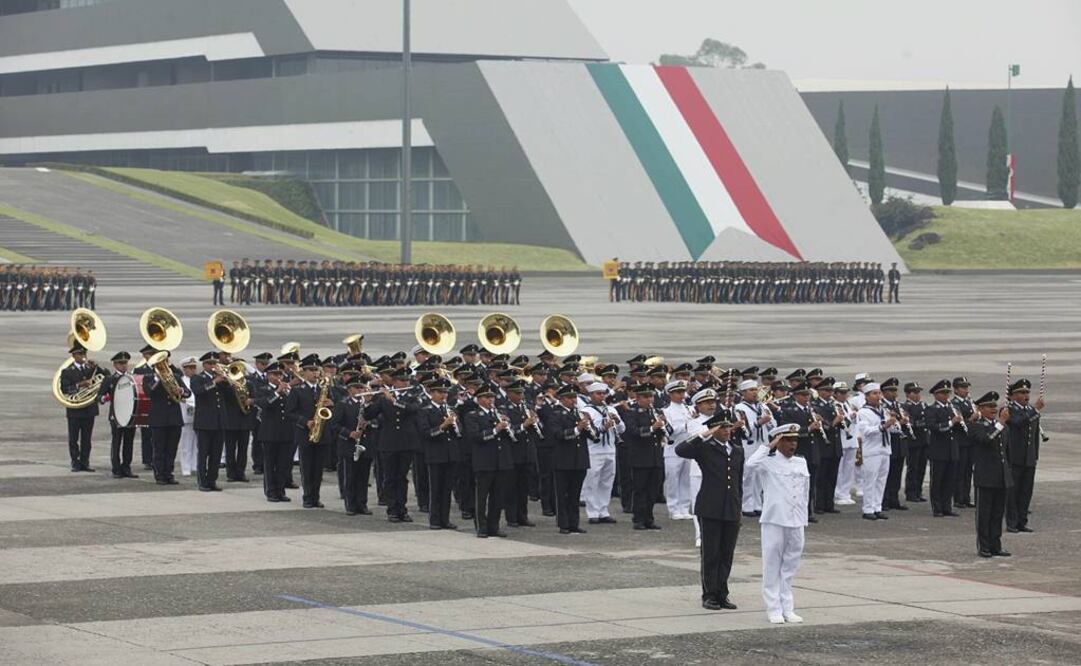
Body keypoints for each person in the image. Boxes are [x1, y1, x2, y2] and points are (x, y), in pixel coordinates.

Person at [676, 413, 743, 611]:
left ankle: (723, 593)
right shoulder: (705, 448)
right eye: (722, 428)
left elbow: (738, 482)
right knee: (711, 553)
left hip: (731, 506)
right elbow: (681, 450)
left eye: (729, 427)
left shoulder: (737, 450)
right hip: (710, 506)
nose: (727, 431)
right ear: (714, 430)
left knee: (726, 554)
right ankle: (709, 594)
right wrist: (705, 434)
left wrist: (739, 507)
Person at [746, 424, 809, 624]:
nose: (793, 444)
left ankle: (787, 607)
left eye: (795, 440)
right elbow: (750, 464)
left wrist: (803, 516)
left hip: (796, 519)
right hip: (775, 519)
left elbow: (804, 493)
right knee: (772, 564)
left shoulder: (801, 463)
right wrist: (769, 445)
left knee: (790, 565)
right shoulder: (768, 462)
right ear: (778, 442)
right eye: (788, 440)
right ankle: (773, 608)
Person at [465, 383, 514, 538]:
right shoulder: (472, 415)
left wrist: (508, 426)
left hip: (501, 460)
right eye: (486, 397)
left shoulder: (499, 413)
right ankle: (481, 526)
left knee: (498, 496)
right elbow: (475, 437)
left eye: (492, 397)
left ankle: (494, 526)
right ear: (479, 399)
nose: (490, 400)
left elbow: (511, 437)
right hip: (484, 461)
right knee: (481, 496)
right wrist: (495, 430)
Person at [543, 384, 593, 534]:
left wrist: (589, 427)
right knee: (562, 494)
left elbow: (593, 437)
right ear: (562, 399)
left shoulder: (578, 413)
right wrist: (578, 428)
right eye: (570, 398)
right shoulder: (555, 414)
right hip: (563, 459)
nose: (573, 401)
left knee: (574, 494)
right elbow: (559, 435)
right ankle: (563, 524)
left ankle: (574, 523)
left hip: (579, 459)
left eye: (574, 397)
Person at [286, 355, 334, 508]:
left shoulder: (324, 389)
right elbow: (290, 413)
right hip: (305, 433)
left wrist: (331, 403)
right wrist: (305, 422)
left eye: (317, 370)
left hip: (322, 433)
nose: (315, 373)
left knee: (318, 468)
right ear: (304, 372)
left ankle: (316, 497)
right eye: (311, 370)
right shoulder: (297, 390)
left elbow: (332, 407)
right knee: (307, 467)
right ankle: (307, 497)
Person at [970, 391, 1012, 557]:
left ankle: (996, 544)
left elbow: (1006, 452)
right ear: (981, 409)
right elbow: (987, 439)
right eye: (989, 406)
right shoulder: (976, 426)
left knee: (997, 513)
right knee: (984, 513)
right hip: (985, 476)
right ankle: (984, 546)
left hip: (1001, 476)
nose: (993, 409)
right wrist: (1001, 422)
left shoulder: (1003, 427)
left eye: (995, 406)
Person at [622, 384, 667, 530]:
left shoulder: (656, 412)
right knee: (640, 489)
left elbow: (664, 433)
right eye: (646, 397)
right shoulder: (632, 413)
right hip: (640, 457)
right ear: (638, 398)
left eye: (651, 396)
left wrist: (663, 426)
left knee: (653, 490)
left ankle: (649, 518)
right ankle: (638, 519)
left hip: (655, 456)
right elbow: (633, 432)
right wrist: (652, 428)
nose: (650, 400)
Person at [330, 375, 376, 516]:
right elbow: (334, 425)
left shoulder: (368, 405)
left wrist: (369, 423)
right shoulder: (343, 404)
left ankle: (362, 504)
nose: (360, 390)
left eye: (362, 387)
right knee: (350, 476)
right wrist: (349, 433)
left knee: (363, 476)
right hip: (349, 445)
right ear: (350, 390)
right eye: (357, 388)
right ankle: (350, 504)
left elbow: (378, 420)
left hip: (365, 443)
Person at [579, 381, 623, 525]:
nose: (602, 396)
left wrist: (617, 421)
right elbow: (589, 431)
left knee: (607, 481)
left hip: (610, 449)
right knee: (592, 482)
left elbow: (623, 429)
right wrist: (604, 427)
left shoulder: (611, 409)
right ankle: (592, 513)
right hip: (594, 450)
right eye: (598, 394)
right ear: (591, 395)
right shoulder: (586, 410)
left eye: (603, 393)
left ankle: (604, 511)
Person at [419, 378, 460, 529]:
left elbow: (459, 433)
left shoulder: (449, 409)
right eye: (440, 392)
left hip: (450, 454)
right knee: (435, 489)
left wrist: (455, 425)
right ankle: (435, 520)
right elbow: (425, 433)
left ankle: (445, 519)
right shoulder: (425, 410)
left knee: (447, 489)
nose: (443, 395)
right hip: (435, 454)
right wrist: (443, 426)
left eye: (445, 392)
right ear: (432, 393)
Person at [1005, 378, 1045, 533]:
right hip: (1015, 457)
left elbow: (1033, 436)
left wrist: (1034, 455)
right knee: (1013, 492)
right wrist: (1035, 410)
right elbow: (1018, 423)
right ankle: (1012, 522)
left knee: (1026, 491)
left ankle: (1022, 521)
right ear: (1014, 395)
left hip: (1029, 458)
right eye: (1022, 392)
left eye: (1027, 392)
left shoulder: (1030, 411)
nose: (1026, 395)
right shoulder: (1008, 410)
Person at [143, 352, 189, 485]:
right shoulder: (150, 378)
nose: (163, 365)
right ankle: (160, 475)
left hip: (174, 418)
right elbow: (149, 392)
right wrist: (158, 380)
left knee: (171, 449)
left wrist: (180, 391)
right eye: (160, 363)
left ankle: (169, 473)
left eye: (164, 362)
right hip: (159, 419)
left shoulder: (175, 376)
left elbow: (187, 392)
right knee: (159, 449)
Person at [733, 379, 776, 517]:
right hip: (748, 444)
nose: (755, 393)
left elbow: (773, 424)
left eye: (755, 390)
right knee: (748, 475)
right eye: (751, 390)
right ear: (743, 393)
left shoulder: (763, 406)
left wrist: (769, 422)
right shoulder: (739, 408)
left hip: (762, 443)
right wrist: (758, 422)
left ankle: (758, 504)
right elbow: (744, 428)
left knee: (759, 475)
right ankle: (747, 505)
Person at [61, 344, 105, 472]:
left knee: (87, 439)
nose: (83, 357)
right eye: (79, 354)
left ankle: (85, 462)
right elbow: (65, 389)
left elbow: (105, 377)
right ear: (74, 356)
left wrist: (97, 367)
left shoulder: (91, 369)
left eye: (84, 354)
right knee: (73, 438)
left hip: (89, 409)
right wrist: (80, 385)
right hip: (74, 410)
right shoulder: (67, 371)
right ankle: (75, 462)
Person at [855, 382, 895, 520]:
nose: (878, 396)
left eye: (879, 393)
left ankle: (877, 506)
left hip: (885, 449)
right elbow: (866, 432)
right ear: (866, 396)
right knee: (870, 480)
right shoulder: (863, 412)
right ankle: (868, 509)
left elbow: (890, 429)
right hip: (871, 450)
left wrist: (896, 424)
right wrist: (883, 426)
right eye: (874, 393)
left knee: (881, 480)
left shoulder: (884, 410)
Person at [190, 352, 228, 492]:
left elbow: (230, 395)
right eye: (210, 364)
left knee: (216, 454)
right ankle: (202, 482)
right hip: (204, 422)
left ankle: (212, 480)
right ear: (204, 365)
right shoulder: (197, 378)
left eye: (215, 364)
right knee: (203, 453)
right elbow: (198, 391)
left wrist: (227, 381)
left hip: (219, 422)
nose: (213, 366)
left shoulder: (220, 379)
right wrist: (214, 382)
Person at [254, 363, 293, 502]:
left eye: (280, 375)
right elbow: (264, 404)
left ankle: (280, 490)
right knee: (270, 464)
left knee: (283, 464)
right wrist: (277, 392)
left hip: (285, 432)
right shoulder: (263, 389)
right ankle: (270, 491)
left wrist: (287, 392)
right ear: (268, 375)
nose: (278, 377)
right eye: (275, 374)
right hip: (269, 432)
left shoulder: (288, 390)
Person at [925, 379, 962, 517]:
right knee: (938, 480)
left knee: (950, 480)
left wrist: (961, 422)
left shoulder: (952, 408)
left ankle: (947, 506)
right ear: (936, 395)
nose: (946, 396)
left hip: (952, 450)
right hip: (939, 450)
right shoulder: (931, 409)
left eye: (947, 393)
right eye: (943, 393)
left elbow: (958, 430)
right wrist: (951, 422)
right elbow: (934, 427)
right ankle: (937, 507)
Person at [99, 351, 138, 479]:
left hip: (130, 414)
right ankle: (116, 468)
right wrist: (104, 398)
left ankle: (126, 467)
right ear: (115, 365)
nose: (123, 366)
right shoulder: (110, 379)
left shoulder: (132, 378)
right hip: (116, 415)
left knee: (129, 443)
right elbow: (98, 396)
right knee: (116, 442)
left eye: (125, 363)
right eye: (121, 363)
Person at [662, 381, 695, 520]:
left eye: (683, 392)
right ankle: (673, 508)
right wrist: (688, 425)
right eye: (678, 393)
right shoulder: (665, 411)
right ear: (670, 394)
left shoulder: (690, 409)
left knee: (686, 479)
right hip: (673, 449)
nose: (682, 395)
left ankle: (684, 507)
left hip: (688, 447)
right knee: (673, 480)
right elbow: (670, 431)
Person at [177, 357, 198, 476]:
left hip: (199, 414)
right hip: (186, 414)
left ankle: (194, 465)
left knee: (197, 442)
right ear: (184, 369)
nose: (193, 370)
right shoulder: (181, 381)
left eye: (194, 367)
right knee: (186, 442)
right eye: (190, 368)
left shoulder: (198, 379)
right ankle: (186, 467)